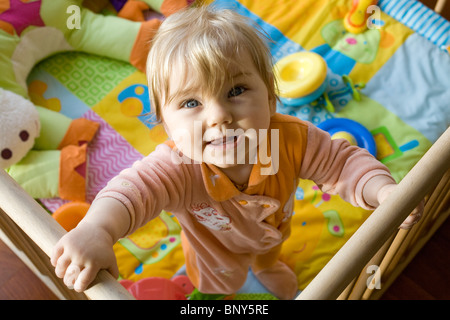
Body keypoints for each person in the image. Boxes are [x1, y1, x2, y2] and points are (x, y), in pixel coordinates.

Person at [50, 5, 422, 300]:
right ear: (165, 123)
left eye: (236, 91)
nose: (219, 116)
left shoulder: (288, 139)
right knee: (216, 282)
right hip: (212, 250)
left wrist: (384, 192)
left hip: (273, 232)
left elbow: (342, 163)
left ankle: (264, 268)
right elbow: (132, 192)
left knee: (269, 255)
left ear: (272, 97)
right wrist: (97, 230)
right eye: (192, 102)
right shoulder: (180, 165)